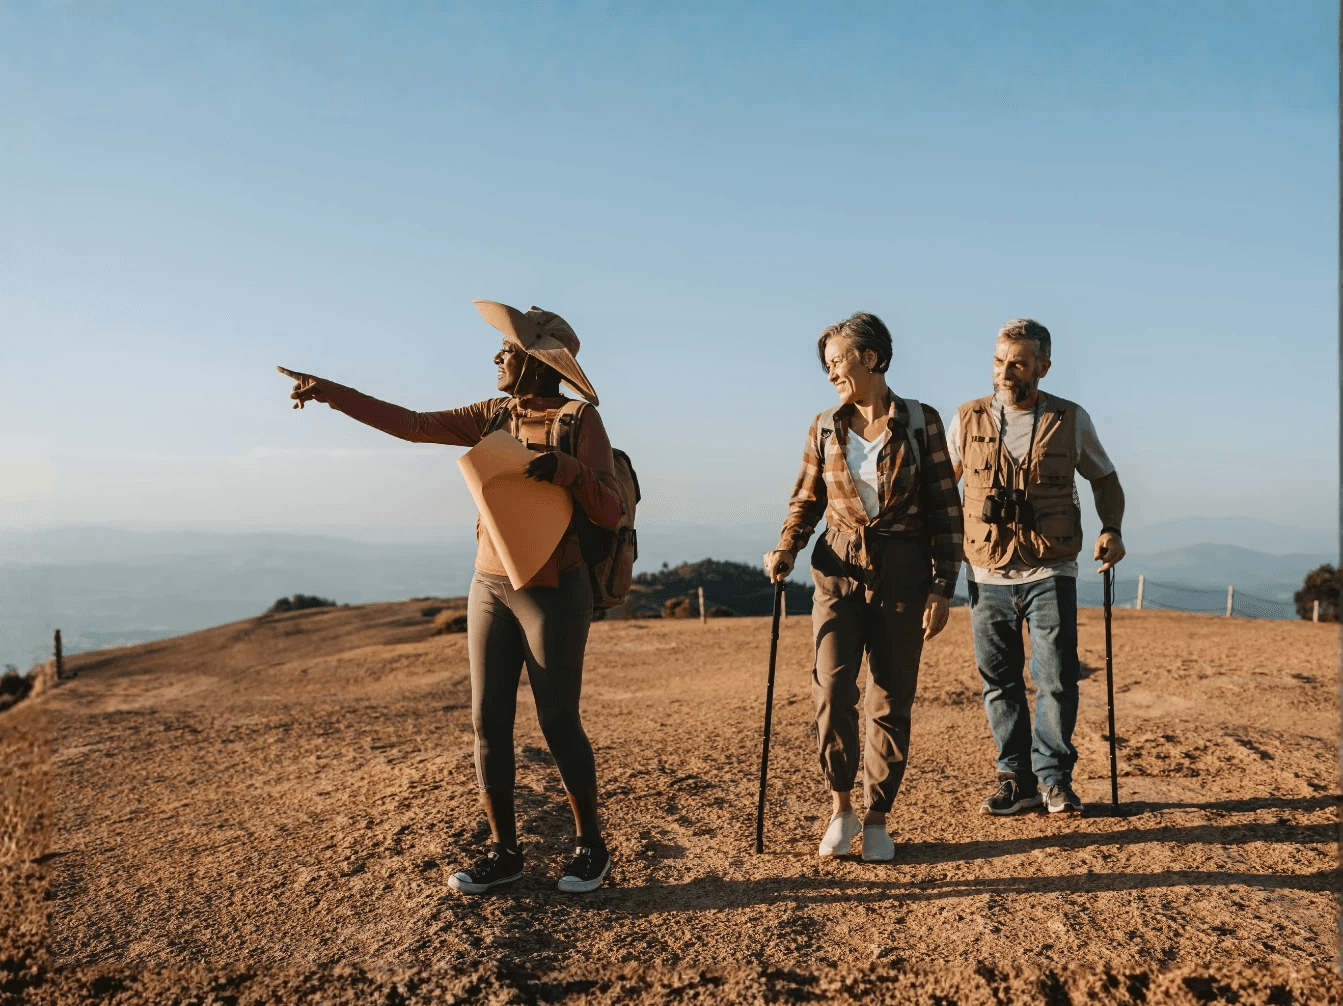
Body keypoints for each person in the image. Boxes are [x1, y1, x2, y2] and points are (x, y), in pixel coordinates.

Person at [277, 300, 622, 894]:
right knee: (487, 723)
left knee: (559, 720)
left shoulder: (577, 421)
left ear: (537, 363)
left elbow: (611, 510)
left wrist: (566, 471)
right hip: (488, 584)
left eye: (508, 350)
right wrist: (336, 394)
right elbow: (412, 424)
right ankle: (504, 851)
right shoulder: (491, 414)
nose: (496, 356)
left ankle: (591, 846)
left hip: (553, 587)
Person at [764, 312, 963, 862]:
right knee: (832, 689)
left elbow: (948, 509)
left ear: (870, 358)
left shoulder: (922, 422)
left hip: (906, 569)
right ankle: (840, 808)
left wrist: (942, 586)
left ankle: (877, 817)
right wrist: (787, 546)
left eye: (837, 360)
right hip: (838, 566)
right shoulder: (825, 425)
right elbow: (806, 498)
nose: (830, 372)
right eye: (825, 363)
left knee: (892, 697)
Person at [948, 318, 1125, 817]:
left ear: (1043, 367)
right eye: (1000, 360)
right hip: (985, 572)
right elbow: (944, 488)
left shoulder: (1070, 419)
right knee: (999, 682)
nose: (1006, 372)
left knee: (1056, 677)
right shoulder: (967, 418)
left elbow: (1105, 478)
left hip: (1051, 568)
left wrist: (1112, 528)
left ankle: (1053, 780)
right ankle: (1015, 780)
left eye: (1019, 362)